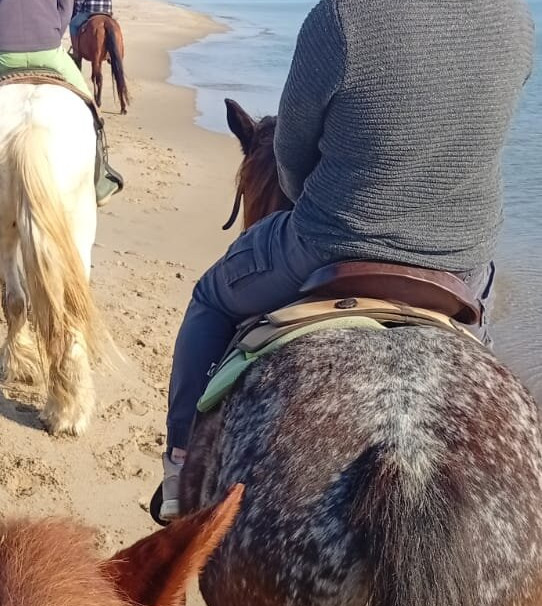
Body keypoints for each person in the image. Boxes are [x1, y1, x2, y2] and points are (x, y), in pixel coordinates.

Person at [158, 0, 535, 521]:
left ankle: (178, 463)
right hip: (463, 259)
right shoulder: (516, 22)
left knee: (211, 297)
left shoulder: (341, 16)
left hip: (327, 245)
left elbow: (290, 155)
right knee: (478, 342)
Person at [0, 0, 123, 220]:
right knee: (90, 106)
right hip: (48, 50)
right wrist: (52, 36)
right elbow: (66, 6)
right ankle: (100, 180)